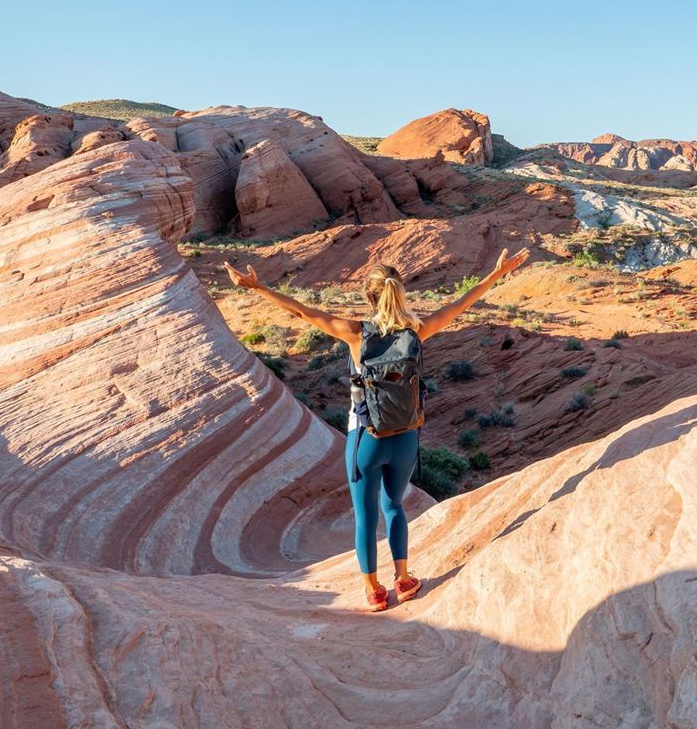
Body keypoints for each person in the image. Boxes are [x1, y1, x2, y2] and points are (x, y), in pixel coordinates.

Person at [224, 248, 530, 611]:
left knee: (366, 517)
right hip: (406, 438)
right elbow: (459, 305)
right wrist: (497, 273)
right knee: (394, 506)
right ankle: (404, 579)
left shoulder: (356, 334)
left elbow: (304, 312)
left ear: (370, 297)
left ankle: (373, 591)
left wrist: (257, 287)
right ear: (399, 293)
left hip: (365, 439)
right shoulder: (415, 331)